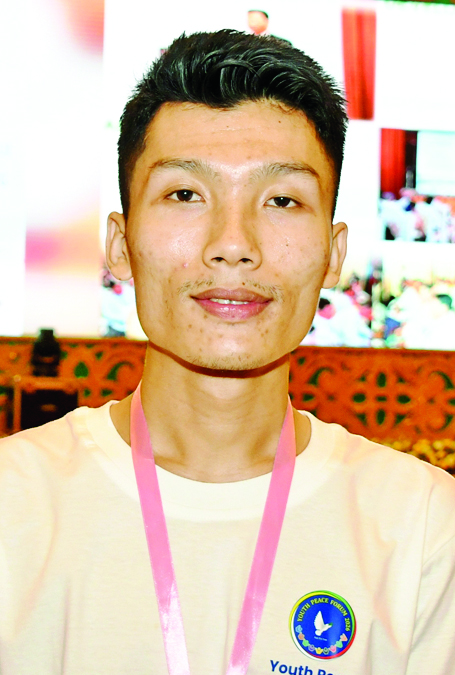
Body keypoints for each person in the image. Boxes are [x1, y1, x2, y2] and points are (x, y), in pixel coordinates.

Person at [1, 29, 454, 675]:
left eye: (281, 200)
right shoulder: (13, 506)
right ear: (120, 245)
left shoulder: (423, 527)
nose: (233, 244)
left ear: (333, 256)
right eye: (185, 194)